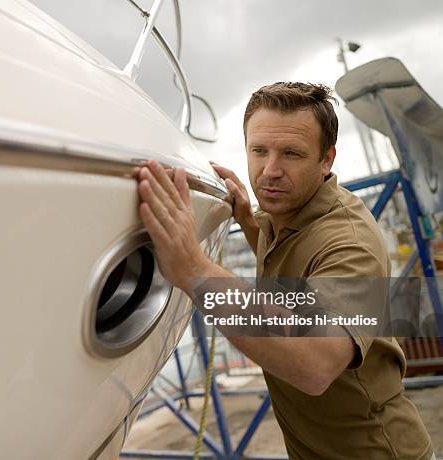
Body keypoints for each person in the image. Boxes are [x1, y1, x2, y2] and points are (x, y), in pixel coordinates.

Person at [134, 82, 434, 459]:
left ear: (327, 159)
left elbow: (315, 363)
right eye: (259, 151)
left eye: (291, 154)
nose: (270, 171)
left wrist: (196, 271)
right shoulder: (283, 214)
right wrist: (246, 218)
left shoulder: (349, 241)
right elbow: (290, 247)